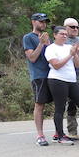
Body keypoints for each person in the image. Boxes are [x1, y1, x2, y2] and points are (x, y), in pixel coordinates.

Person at [44, 26, 79, 143]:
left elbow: (77, 64)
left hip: (71, 80)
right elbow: (56, 65)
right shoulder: (51, 48)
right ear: (55, 35)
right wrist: (70, 55)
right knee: (60, 108)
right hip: (57, 80)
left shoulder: (69, 47)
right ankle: (60, 135)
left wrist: (75, 53)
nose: (64, 36)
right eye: (62, 34)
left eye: (66, 34)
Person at [23, 12, 53, 146]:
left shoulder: (48, 37)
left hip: (52, 75)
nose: (43, 24)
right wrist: (41, 44)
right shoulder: (28, 37)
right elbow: (32, 58)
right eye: (41, 21)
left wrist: (48, 44)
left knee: (58, 103)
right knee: (40, 104)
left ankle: (59, 132)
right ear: (33, 22)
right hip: (39, 76)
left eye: (45, 21)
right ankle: (40, 135)